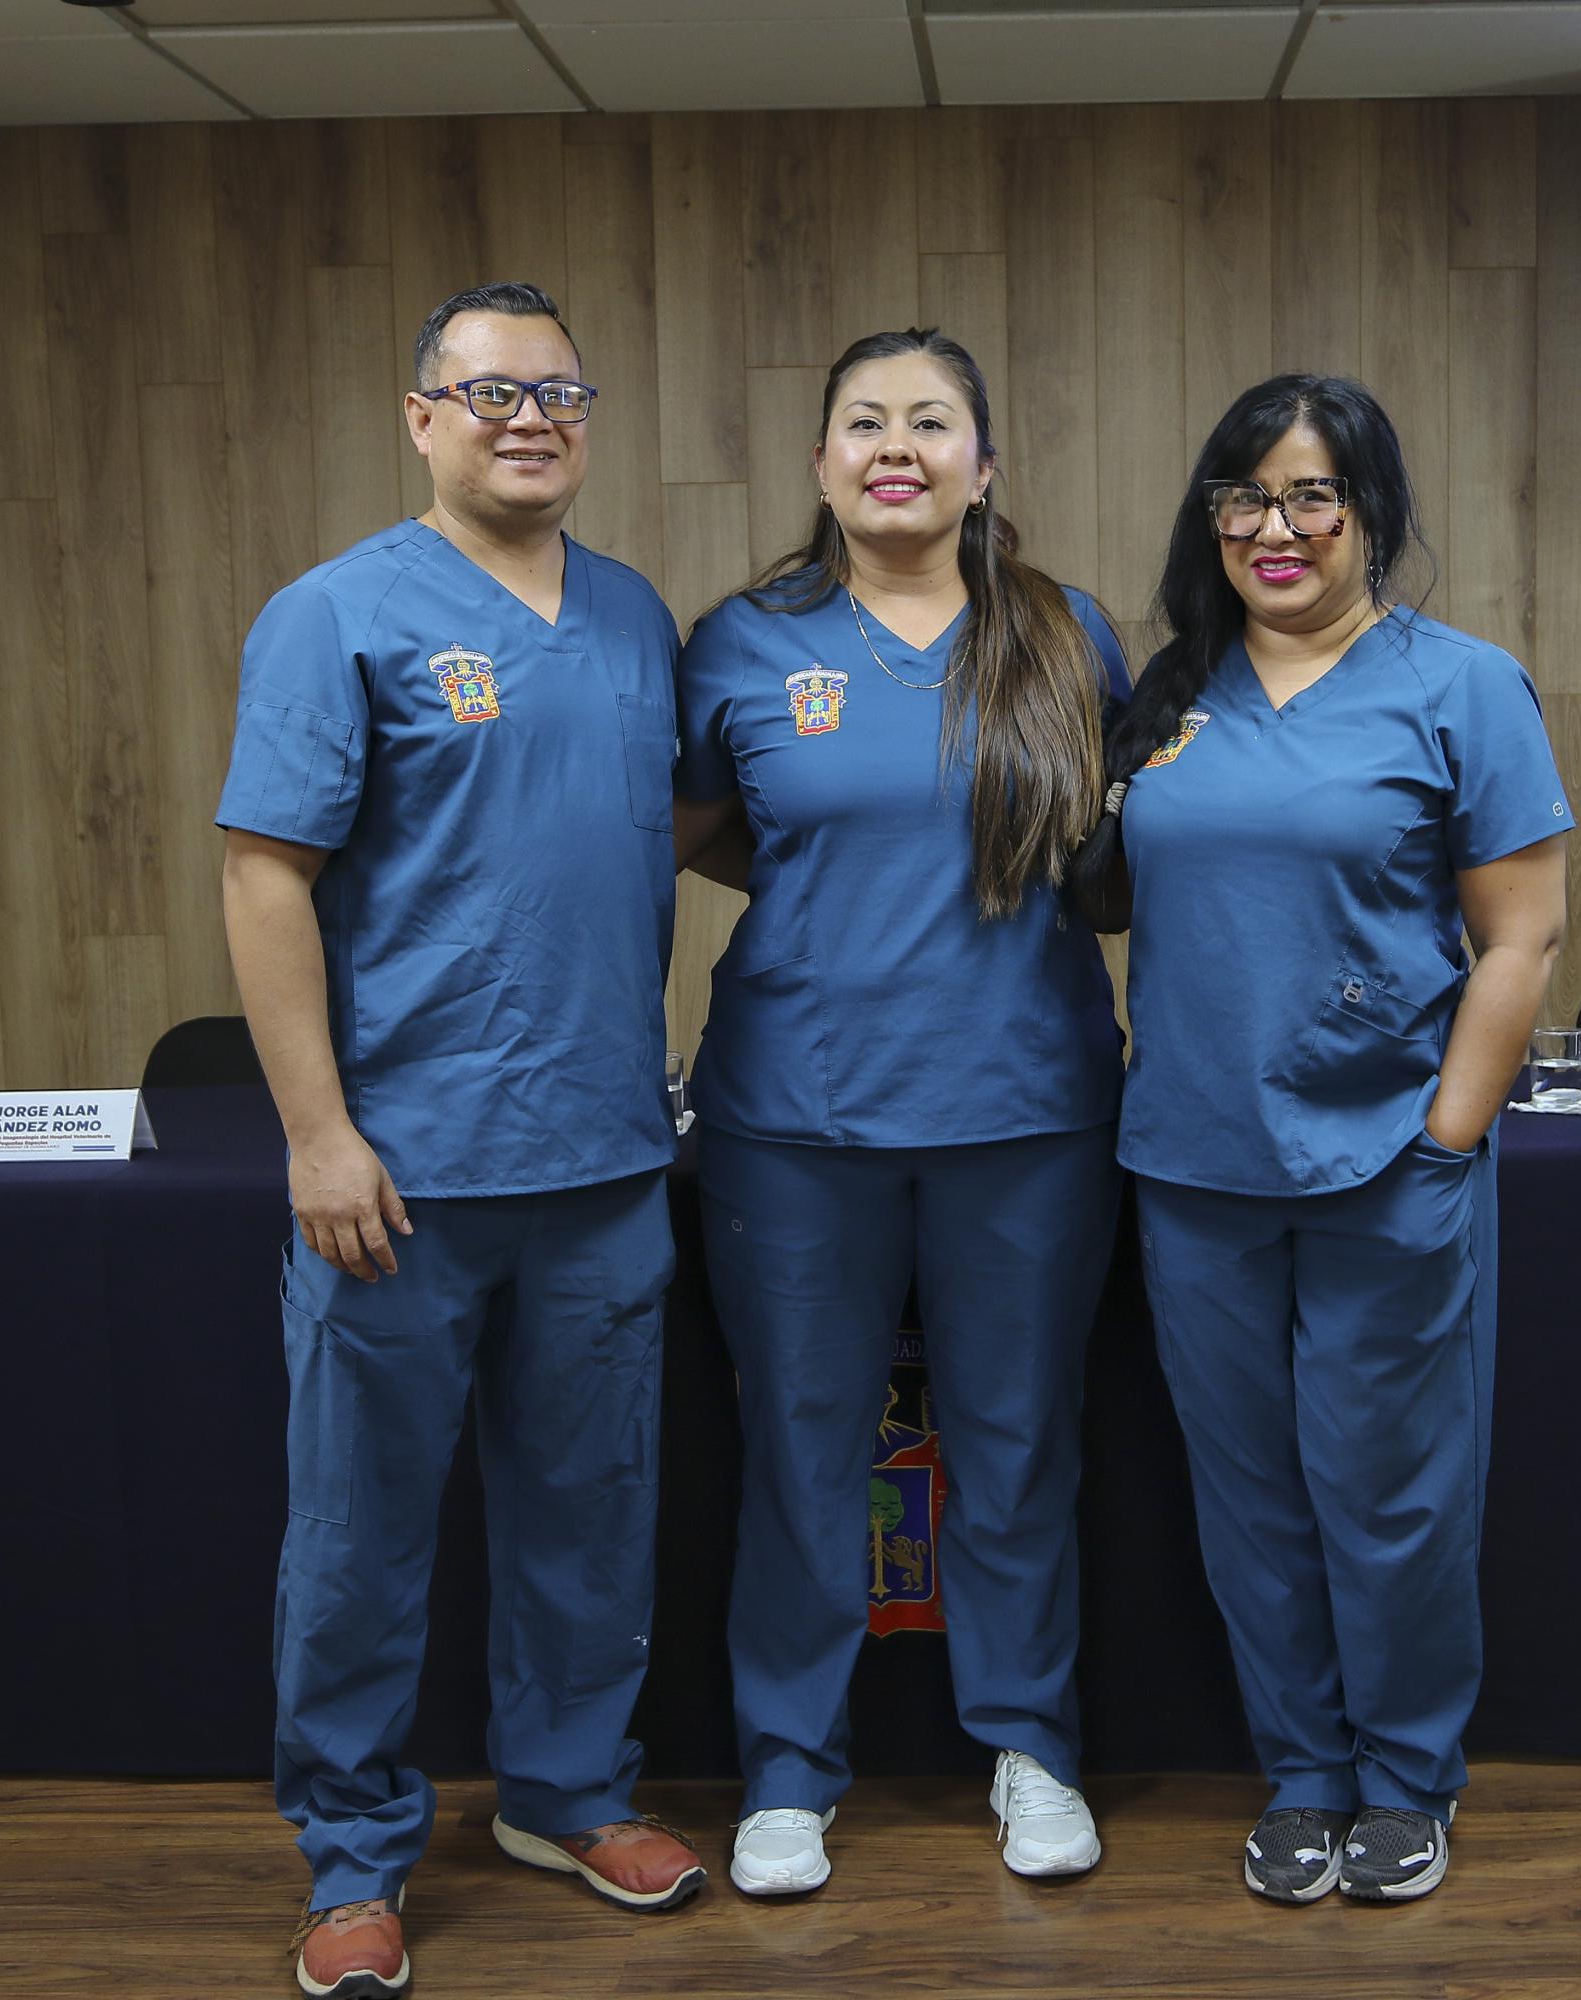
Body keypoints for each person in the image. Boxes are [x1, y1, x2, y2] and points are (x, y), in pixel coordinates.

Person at [220, 282, 706, 2000]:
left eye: (559, 392)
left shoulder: (635, 616)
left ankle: (567, 1795)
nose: (530, 420)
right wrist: (317, 1135)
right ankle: (353, 1859)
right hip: (404, 1175)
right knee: (360, 1540)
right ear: (422, 415)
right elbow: (264, 876)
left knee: (591, 1516)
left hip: (605, 1163)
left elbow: (665, 826)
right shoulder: (336, 615)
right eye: (492, 392)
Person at [1076, 374, 1572, 1906]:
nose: (1275, 528)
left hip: (1384, 1161)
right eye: (1245, 496)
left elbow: (1523, 935)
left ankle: (1406, 1778)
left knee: (1393, 1494)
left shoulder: (1461, 685)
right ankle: (1302, 1774)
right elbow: (1106, 892)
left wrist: (1447, 1135)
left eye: (1312, 496)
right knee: (1252, 1498)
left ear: (1371, 510)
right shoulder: (1172, 692)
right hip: (1193, 1163)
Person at [669, 328, 1127, 1898]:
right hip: (797, 1125)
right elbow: (705, 830)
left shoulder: (1064, 632)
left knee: (1016, 1446)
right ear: (822, 464)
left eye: (932, 423)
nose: (897, 447)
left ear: (981, 468)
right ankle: (790, 1771)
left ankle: (1032, 1746)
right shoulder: (746, 641)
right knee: (805, 1452)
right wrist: (842, 895)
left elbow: (1111, 850)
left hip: (1028, 1116)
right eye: (864, 422)